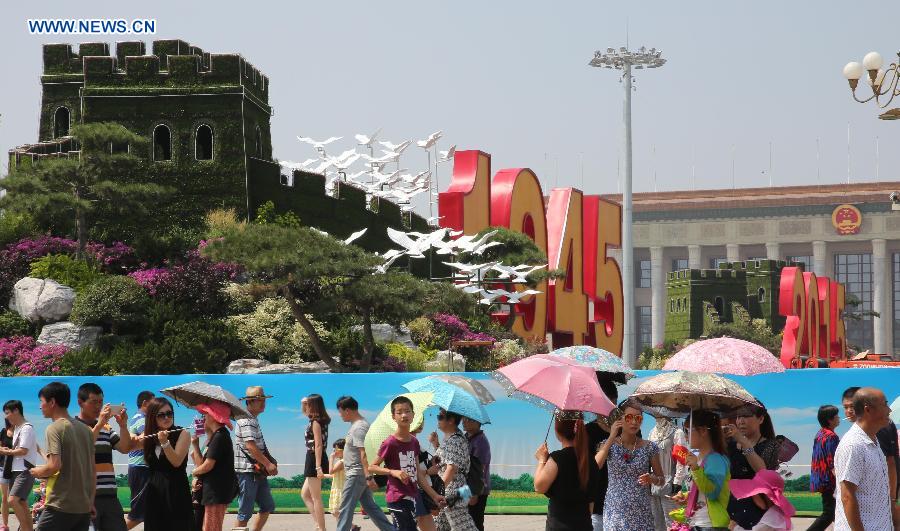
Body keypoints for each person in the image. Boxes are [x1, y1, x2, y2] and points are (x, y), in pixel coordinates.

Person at [369, 396, 445, 531]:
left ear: (413, 415)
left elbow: (418, 474)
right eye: (399, 412)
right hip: (397, 497)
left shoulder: (414, 442)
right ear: (393, 416)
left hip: (413, 496)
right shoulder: (390, 442)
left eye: (407, 411)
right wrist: (393, 472)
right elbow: (372, 466)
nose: (404, 415)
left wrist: (434, 495)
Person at [30, 381, 95, 531]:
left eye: (42, 401)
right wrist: (90, 502)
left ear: (52, 402)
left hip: (60, 505)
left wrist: (36, 472)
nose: (40, 406)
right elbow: (92, 471)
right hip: (83, 507)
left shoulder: (54, 428)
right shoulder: (86, 430)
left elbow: (54, 466)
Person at [595, 402, 665, 531]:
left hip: (641, 513)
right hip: (615, 513)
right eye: (629, 417)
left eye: (638, 418)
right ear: (620, 419)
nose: (634, 422)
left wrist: (652, 479)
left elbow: (662, 479)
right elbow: (595, 466)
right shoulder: (608, 444)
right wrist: (611, 436)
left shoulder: (649, 447)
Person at [834, 387, 894, 531]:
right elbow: (847, 496)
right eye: (885, 404)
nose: (889, 410)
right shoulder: (853, 445)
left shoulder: (873, 440)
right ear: (868, 410)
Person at [75, 383, 132, 531]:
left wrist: (123, 426)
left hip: (110, 496)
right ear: (80, 402)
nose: (98, 406)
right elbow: (82, 449)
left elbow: (125, 448)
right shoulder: (72, 426)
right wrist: (99, 424)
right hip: (85, 498)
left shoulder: (106, 428)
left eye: (101, 402)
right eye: (94, 402)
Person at [334, 396, 394, 531]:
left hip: (356, 474)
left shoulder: (359, 428)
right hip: (359, 474)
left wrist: (368, 476)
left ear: (347, 410)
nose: (340, 415)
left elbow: (364, 453)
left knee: (345, 508)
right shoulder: (358, 425)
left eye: (340, 411)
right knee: (371, 508)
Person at [534, 411, 599, 531]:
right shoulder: (590, 460)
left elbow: (539, 486)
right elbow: (591, 501)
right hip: (584, 525)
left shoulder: (558, 458)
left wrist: (542, 460)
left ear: (557, 430)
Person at [724, 404, 781, 529]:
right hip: (732, 506)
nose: (741, 421)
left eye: (746, 416)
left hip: (758, 508)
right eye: (738, 417)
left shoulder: (771, 445)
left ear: (761, 419)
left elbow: (762, 472)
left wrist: (744, 442)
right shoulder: (731, 445)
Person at [673, 409, 731, 531]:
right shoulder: (698, 458)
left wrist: (695, 468)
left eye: (688, 431)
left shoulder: (716, 460)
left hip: (710, 525)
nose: (686, 436)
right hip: (697, 523)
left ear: (703, 431)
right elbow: (700, 491)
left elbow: (712, 493)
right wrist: (686, 497)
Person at [142, 397, 194, 531]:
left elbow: (176, 462)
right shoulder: (149, 435)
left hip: (176, 491)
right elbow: (126, 446)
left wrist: (165, 443)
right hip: (155, 493)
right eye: (161, 415)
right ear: (153, 417)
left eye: (169, 413)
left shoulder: (183, 433)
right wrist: (124, 426)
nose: (166, 418)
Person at [234, 386, 277, 531]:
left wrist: (268, 461)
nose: (263, 403)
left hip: (255, 471)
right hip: (247, 471)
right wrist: (268, 464)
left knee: (267, 506)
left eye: (263, 400)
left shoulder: (251, 419)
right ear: (249, 402)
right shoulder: (246, 420)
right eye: (259, 400)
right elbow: (251, 446)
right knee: (244, 513)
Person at [190, 401, 237, 531]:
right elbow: (204, 464)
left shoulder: (220, 436)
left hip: (216, 493)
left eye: (206, 413)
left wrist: (194, 473)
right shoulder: (217, 436)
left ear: (213, 416)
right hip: (213, 492)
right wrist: (195, 443)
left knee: (211, 528)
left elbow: (207, 466)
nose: (203, 417)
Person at [433, 408, 478, 531]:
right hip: (456, 490)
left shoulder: (455, 440)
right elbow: (443, 464)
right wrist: (435, 444)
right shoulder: (451, 439)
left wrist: (436, 492)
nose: (438, 419)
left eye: (440, 417)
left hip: (453, 491)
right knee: (438, 526)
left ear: (451, 420)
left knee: (464, 527)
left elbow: (451, 469)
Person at [585, 376, 619, 531]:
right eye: (607, 402)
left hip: (621, 504)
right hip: (596, 502)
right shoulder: (587, 432)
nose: (612, 407)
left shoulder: (627, 430)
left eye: (614, 402)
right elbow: (589, 468)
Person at [0, 400, 39, 531]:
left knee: (12, 500)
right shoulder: (17, 428)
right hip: (15, 470)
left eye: (7, 413)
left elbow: (23, 450)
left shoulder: (26, 428)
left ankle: (25, 529)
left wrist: (7, 451)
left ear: (16, 410)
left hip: (24, 470)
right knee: (21, 502)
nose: (6, 416)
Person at [648, 416, 689, 531]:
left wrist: (678, 481)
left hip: (671, 483)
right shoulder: (652, 433)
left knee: (672, 523)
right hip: (654, 483)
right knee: (656, 522)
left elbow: (682, 459)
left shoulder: (677, 432)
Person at [807, 405, 840, 531]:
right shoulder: (831, 436)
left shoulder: (819, 434)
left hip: (820, 477)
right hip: (829, 480)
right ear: (829, 419)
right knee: (829, 513)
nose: (839, 418)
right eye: (836, 416)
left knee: (835, 513)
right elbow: (833, 461)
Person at [300, 394, 330, 531]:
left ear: (314, 406)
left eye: (309, 404)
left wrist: (318, 467)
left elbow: (318, 445)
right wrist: (304, 401)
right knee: (305, 494)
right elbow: (304, 411)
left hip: (314, 458)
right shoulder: (319, 420)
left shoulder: (316, 422)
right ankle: (318, 524)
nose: (306, 407)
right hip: (315, 457)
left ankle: (322, 528)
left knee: (316, 497)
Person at [730, 469, 795, 531]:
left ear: (764, 496)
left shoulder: (773, 519)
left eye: (754, 494)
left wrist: (735, 527)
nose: (751, 498)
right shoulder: (776, 513)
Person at [126, 390, 154, 530]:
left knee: (150, 512)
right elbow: (147, 439)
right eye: (153, 403)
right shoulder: (141, 419)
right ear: (145, 403)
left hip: (141, 468)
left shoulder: (139, 418)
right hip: (140, 468)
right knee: (137, 514)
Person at [463, 417, 490, 531]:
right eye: (463, 418)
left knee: (475, 523)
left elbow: (480, 468)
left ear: (478, 422)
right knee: (464, 520)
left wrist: (474, 493)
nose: (464, 421)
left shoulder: (480, 441)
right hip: (464, 486)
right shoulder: (465, 438)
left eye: (469, 419)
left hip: (476, 489)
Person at [326, 439, 346, 521]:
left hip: (340, 489)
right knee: (337, 512)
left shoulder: (341, 462)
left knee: (336, 512)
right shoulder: (343, 461)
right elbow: (335, 476)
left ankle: (350, 527)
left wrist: (331, 458)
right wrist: (323, 475)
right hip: (339, 488)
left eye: (336, 449)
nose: (334, 452)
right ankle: (352, 527)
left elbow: (331, 471)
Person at [0, 416, 14, 531]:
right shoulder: (3, 431)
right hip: (3, 467)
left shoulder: (21, 431)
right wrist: (4, 450)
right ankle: (5, 525)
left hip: (17, 468)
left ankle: (24, 524)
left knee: (16, 499)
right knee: (5, 498)